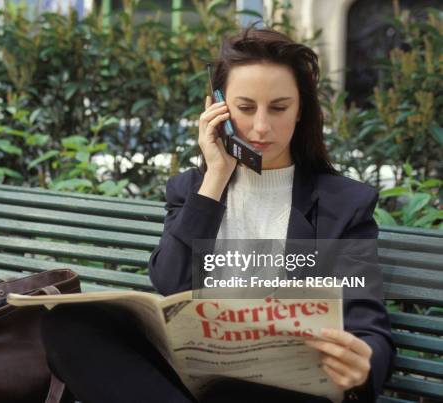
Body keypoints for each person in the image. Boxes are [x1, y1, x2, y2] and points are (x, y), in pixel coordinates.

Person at [41, 27, 395, 403]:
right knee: (68, 325)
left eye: (278, 108)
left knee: (237, 392)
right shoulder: (192, 189)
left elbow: (369, 327)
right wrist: (215, 178)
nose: (261, 127)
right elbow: (171, 282)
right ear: (218, 109)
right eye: (245, 108)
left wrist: (363, 367)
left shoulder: (344, 204)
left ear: (300, 110)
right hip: (192, 377)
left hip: (280, 388)